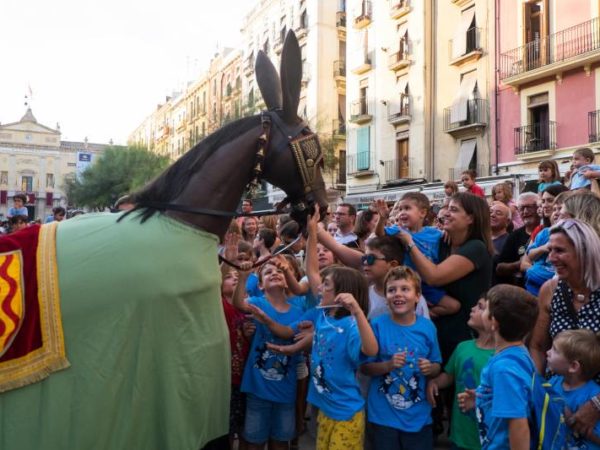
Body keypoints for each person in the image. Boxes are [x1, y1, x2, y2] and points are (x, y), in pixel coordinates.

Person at [252, 263, 378, 450]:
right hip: (325, 408)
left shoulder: (352, 325)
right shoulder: (323, 316)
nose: (318, 288)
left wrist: (357, 312)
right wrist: (291, 348)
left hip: (345, 413)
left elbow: (371, 350)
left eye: (325, 284)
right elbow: (315, 339)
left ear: (342, 294)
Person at [396, 192, 493, 362]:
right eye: (447, 208)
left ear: (471, 218)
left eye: (454, 210)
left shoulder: (476, 248)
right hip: (436, 333)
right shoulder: (444, 242)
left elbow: (434, 277)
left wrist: (410, 243)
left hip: (463, 335)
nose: (446, 213)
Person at [529, 219, 600, 439]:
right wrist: (540, 392)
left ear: (585, 251)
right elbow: (538, 346)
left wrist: (596, 405)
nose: (551, 258)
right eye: (550, 250)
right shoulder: (550, 290)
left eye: (560, 251)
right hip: (560, 397)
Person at [362, 266, 442, 450]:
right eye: (391, 290)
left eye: (405, 289)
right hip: (383, 416)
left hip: (418, 415)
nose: (398, 294)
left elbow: (437, 364)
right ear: (385, 296)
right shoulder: (376, 325)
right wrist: (388, 365)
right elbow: (365, 367)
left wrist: (431, 368)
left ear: (417, 296)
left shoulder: (428, 328)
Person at [231, 258, 304, 450]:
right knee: (254, 441)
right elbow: (238, 302)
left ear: (287, 280)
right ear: (261, 285)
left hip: (285, 392)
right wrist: (244, 277)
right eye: (268, 272)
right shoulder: (257, 303)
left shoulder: (299, 311)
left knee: (280, 441)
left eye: (278, 271)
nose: (274, 273)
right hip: (257, 389)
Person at [458, 285, 539, 450]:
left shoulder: (505, 368)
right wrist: (482, 400)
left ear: (494, 322)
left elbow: (518, 423)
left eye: (485, 309)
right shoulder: (518, 353)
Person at [427, 298, 495, 450]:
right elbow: (450, 376)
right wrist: (434, 382)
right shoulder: (463, 347)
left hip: (488, 438)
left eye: (480, 307)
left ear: (495, 321)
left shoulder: (501, 357)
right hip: (460, 435)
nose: (472, 308)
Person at [383, 192, 460, 318]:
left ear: (422, 213)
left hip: (429, 283)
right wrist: (382, 218)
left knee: (453, 305)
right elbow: (380, 233)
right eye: (400, 209)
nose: (401, 212)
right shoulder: (399, 232)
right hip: (407, 283)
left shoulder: (435, 233)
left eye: (407, 208)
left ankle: (421, 315)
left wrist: (448, 232)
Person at [546, 329, 600, 449]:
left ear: (573, 366)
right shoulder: (554, 382)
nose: (548, 352)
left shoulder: (593, 396)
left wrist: (572, 421)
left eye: (555, 350)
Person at [520, 189, 570, 296]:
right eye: (543, 201)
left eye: (550, 200)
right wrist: (535, 271)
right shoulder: (542, 232)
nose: (545, 205)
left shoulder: (574, 234)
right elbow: (526, 261)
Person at [495, 192, 540, 286]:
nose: (525, 212)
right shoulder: (514, 236)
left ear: (539, 207)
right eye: (521, 208)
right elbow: (500, 268)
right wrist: (520, 264)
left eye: (529, 207)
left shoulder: (547, 232)